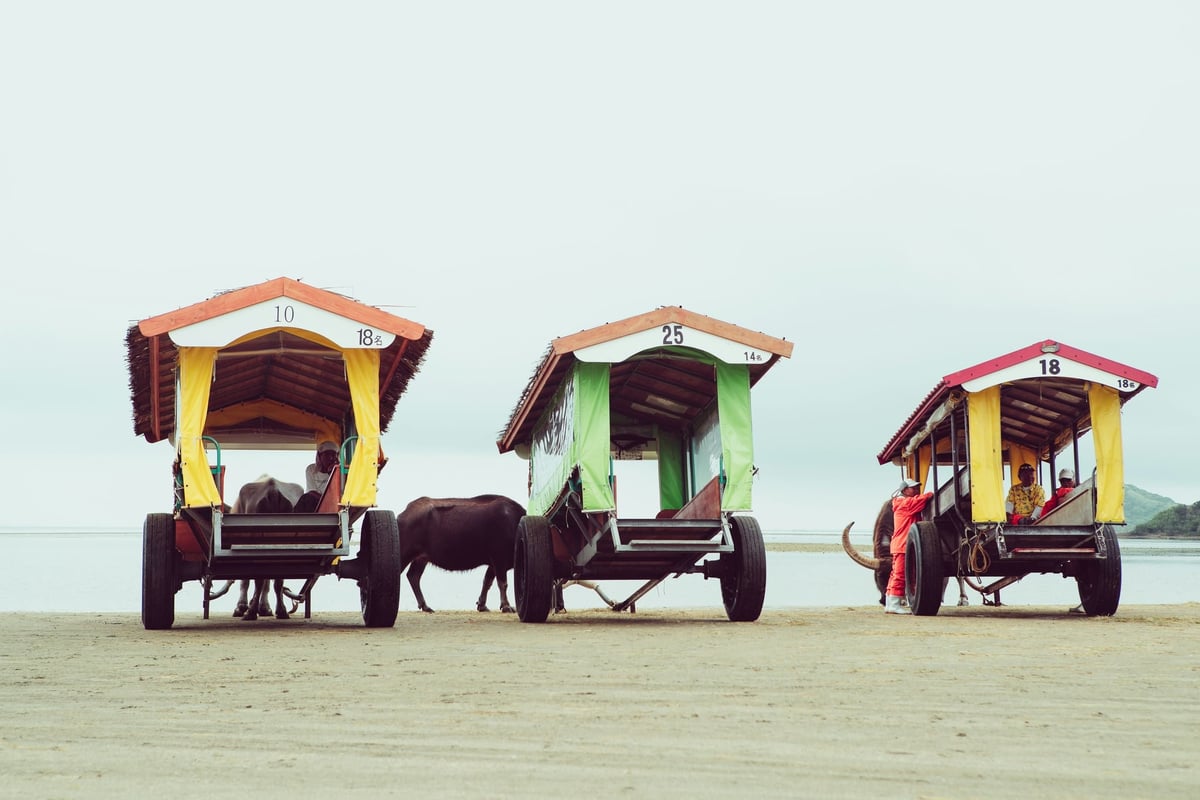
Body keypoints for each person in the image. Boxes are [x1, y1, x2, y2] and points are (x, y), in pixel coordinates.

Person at [885, 477, 934, 615]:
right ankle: (895, 605)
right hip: (903, 545)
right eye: (913, 488)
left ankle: (890, 603)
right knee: (900, 574)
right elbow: (922, 499)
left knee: (894, 574)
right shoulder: (905, 504)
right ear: (905, 490)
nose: (917, 490)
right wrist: (930, 494)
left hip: (898, 544)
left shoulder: (899, 503)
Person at [295, 440, 339, 513]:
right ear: (319, 456)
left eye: (333, 455)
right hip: (314, 502)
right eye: (327, 455)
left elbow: (336, 495)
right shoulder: (311, 469)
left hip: (332, 504)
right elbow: (312, 491)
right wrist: (324, 499)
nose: (331, 458)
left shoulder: (338, 471)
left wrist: (333, 473)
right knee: (306, 498)